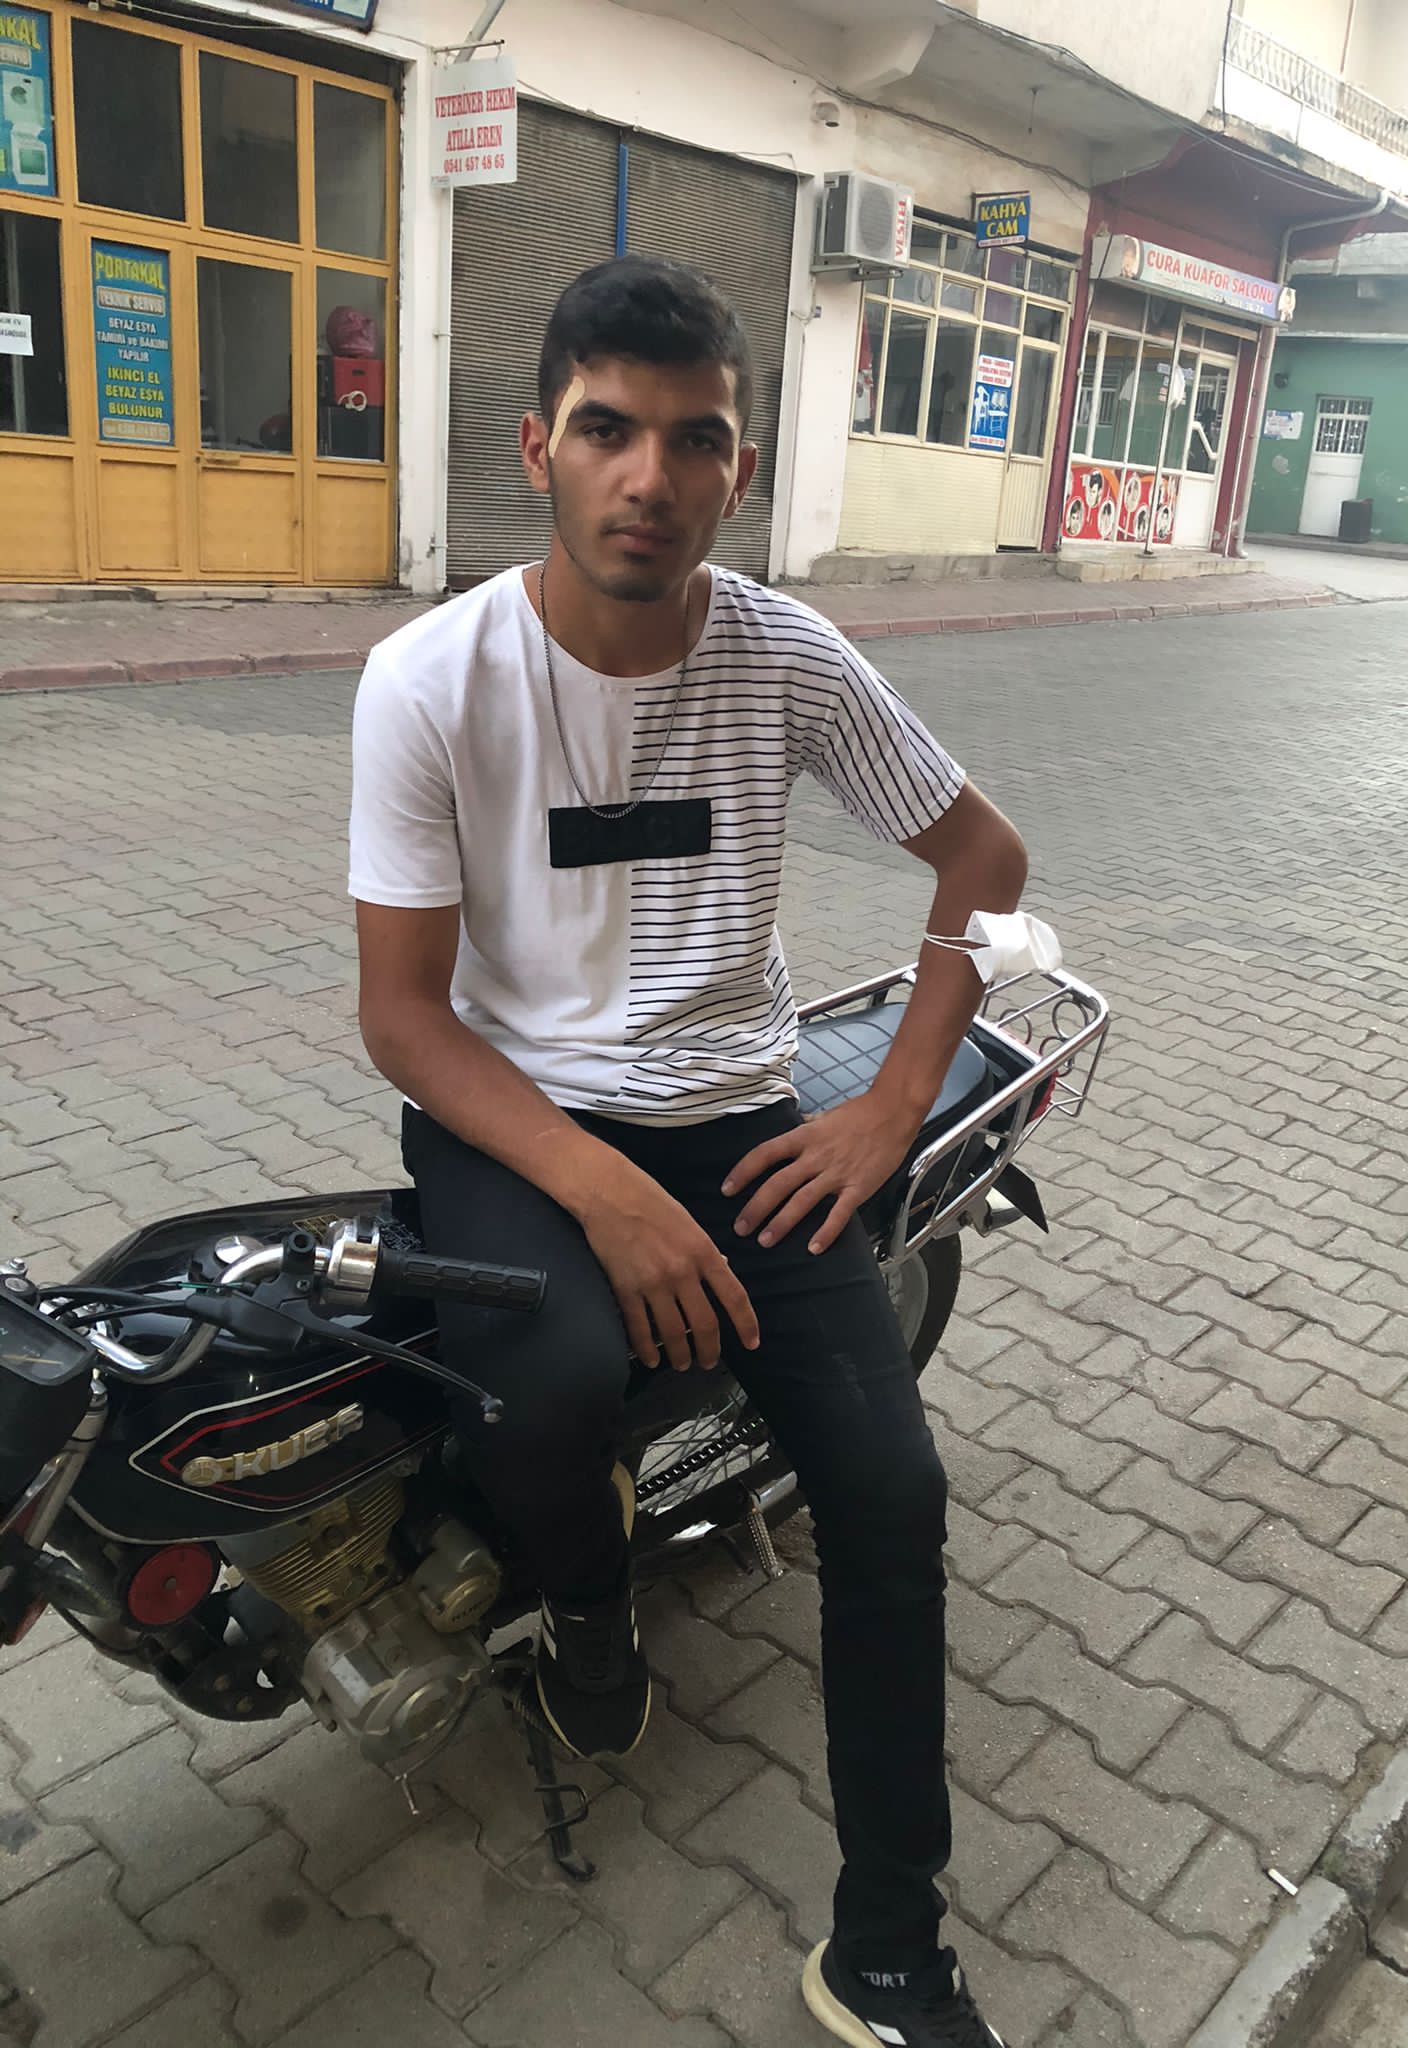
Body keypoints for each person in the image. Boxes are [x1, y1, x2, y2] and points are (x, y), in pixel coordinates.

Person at [348, 254, 1028, 2048]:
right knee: (550, 1382)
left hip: (744, 1114)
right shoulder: (431, 680)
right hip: (515, 1115)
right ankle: (588, 1610)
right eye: (608, 430)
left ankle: (888, 1947)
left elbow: (984, 862)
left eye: (695, 439)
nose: (649, 475)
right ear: (538, 450)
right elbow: (404, 1017)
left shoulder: (785, 657)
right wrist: (607, 1195)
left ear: (740, 471)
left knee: (893, 1496)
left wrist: (886, 1103)